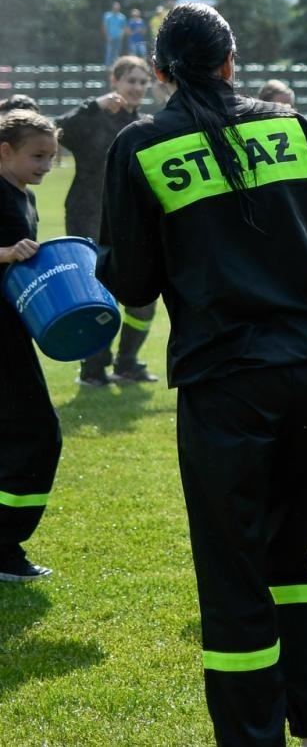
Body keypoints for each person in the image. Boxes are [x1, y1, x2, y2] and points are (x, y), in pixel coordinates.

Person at [96, 3, 307, 747]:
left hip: (227, 381)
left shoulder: (141, 145)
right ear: (231, 61)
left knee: (234, 570)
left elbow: (133, 283)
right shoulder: (292, 127)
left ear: (166, 72)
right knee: (291, 553)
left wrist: (105, 260)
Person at [56, 55, 161, 386]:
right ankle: (92, 370)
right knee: (100, 299)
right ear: (113, 81)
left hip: (131, 223)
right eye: (131, 80)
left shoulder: (144, 125)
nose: (137, 88)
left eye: (143, 82)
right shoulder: (93, 118)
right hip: (88, 217)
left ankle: (127, 363)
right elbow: (54, 129)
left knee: (143, 298)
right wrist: (93, 105)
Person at [0, 110, 62, 583]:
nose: (46, 165)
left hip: (13, 329)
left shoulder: (27, 196)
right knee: (38, 435)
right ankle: (4, 548)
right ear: (5, 151)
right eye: (37, 155)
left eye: (52, 157)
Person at [102, 1, 128, 67]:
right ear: (112, 7)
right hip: (110, 36)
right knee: (109, 51)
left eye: (117, 6)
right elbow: (105, 26)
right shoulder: (107, 16)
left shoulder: (122, 17)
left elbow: (124, 27)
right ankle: (107, 66)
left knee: (117, 52)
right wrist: (107, 36)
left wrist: (122, 35)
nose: (116, 8)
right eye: (115, 6)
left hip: (118, 37)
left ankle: (115, 66)